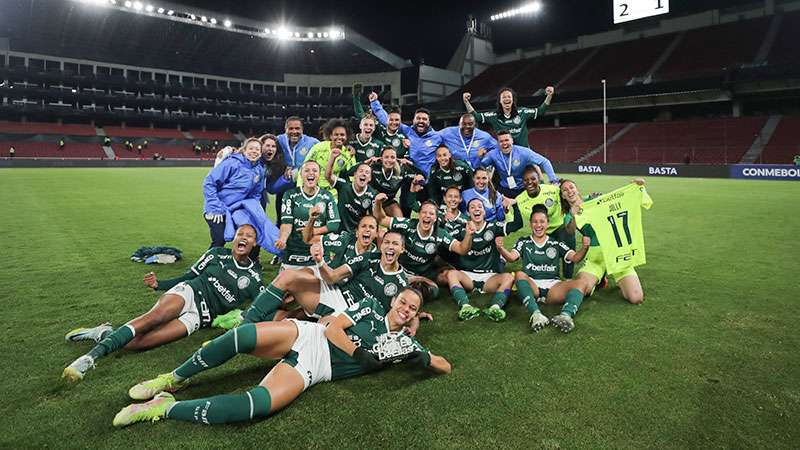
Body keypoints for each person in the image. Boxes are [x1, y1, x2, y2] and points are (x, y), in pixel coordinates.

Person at [111, 287, 451, 427]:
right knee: (242, 335)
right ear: (395, 302)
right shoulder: (372, 308)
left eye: (413, 309)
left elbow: (443, 365)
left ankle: (163, 406)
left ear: (416, 316)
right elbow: (332, 326)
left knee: (256, 406)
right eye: (404, 303)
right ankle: (173, 377)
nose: (406, 309)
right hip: (312, 335)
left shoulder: (403, 345)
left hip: (318, 367)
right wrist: (358, 353)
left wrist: (419, 357)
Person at [62, 225, 265, 382]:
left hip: (199, 317)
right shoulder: (215, 254)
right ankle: (88, 359)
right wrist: (160, 284)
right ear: (234, 238)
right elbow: (188, 275)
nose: (244, 237)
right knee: (153, 318)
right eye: (241, 233)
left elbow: (261, 306)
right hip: (190, 292)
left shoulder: (255, 278)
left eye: (249, 236)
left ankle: (104, 333)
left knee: (141, 343)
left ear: (255, 244)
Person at [238, 229, 408, 325]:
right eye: (386, 242)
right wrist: (319, 262)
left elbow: (401, 311)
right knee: (288, 276)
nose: (389, 247)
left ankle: (251, 321)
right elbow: (333, 277)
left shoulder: (401, 282)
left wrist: (413, 324)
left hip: (348, 315)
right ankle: (247, 321)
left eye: (395, 244)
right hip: (335, 294)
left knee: (296, 323)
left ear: (402, 249)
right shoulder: (369, 257)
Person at [496, 205, 591, 332]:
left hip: (553, 288)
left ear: (547, 224)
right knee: (519, 274)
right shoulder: (524, 241)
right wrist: (501, 249)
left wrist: (584, 248)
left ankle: (566, 316)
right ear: (530, 224)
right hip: (532, 285)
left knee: (582, 283)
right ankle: (536, 315)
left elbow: (575, 258)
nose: (538, 225)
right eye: (535, 222)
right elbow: (512, 258)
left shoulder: (555, 242)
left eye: (542, 221)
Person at [560, 179, 647, 311]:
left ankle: (612, 277)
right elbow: (570, 231)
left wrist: (635, 187)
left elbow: (615, 200)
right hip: (596, 257)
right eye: (565, 190)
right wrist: (573, 213)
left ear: (577, 189)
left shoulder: (592, 199)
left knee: (636, 298)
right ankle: (600, 278)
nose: (569, 191)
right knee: (583, 289)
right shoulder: (568, 215)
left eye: (571, 187)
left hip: (616, 252)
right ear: (563, 196)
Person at [374, 195, 474, 293]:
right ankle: (400, 282)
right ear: (419, 215)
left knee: (434, 291)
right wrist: (378, 203)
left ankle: (411, 286)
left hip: (423, 275)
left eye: (431, 213)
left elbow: (462, 249)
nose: (427, 216)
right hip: (401, 270)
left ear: (435, 218)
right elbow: (382, 219)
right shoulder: (407, 225)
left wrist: (468, 235)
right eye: (424, 212)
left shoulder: (440, 234)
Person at [445, 198, 522, 321]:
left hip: (489, 277)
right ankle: (465, 306)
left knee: (509, 277)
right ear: (468, 213)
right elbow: (444, 239)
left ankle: (495, 308)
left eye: (480, 207)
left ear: (485, 212)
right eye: (472, 207)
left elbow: (518, 224)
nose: (476, 209)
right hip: (467, 277)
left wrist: (515, 205)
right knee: (451, 274)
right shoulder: (461, 229)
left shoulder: (493, 227)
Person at [202, 138, 266, 252]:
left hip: (236, 209)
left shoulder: (259, 170)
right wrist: (216, 207)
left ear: (261, 153)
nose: (254, 151)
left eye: (257, 149)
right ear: (244, 150)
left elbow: (256, 193)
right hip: (217, 208)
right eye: (251, 148)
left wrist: (251, 209)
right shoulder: (232, 163)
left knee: (252, 234)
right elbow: (209, 183)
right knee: (220, 239)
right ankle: (206, 265)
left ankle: (246, 264)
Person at [276, 160, 340, 270]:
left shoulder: (327, 196)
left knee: (316, 284)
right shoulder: (290, 195)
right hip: (293, 249)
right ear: (301, 174)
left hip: (316, 249)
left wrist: (311, 231)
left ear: (319, 175)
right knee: (286, 284)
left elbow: (334, 224)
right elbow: (286, 223)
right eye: (307, 170)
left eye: (315, 170)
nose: (311, 173)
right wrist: (283, 239)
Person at [513, 167, 575, 278]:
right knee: (543, 257)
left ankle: (568, 278)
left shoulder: (552, 190)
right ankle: (541, 277)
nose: (530, 182)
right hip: (540, 232)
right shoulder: (519, 200)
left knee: (568, 242)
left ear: (539, 179)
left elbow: (570, 198)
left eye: (533, 179)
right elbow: (511, 219)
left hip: (559, 227)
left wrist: (587, 198)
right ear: (522, 182)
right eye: (526, 180)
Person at [369, 92, 443, 176]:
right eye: (418, 118)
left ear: (429, 122)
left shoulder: (437, 137)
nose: (421, 121)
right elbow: (387, 120)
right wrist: (374, 102)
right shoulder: (407, 131)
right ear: (413, 120)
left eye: (424, 119)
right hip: (409, 176)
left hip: (429, 179)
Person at [462, 86, 554, 148]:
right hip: (504, 152)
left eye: (509, 97)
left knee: (534, 171)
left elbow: (541, 111)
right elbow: (476, 117)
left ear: (513, 100)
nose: (507, 99)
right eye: (504, 97)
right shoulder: (494, 116)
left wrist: (549, 95)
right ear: (500, 101)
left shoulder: (522, 112)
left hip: (523, 153)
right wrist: (466, 102)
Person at [481, 130, 558, 198]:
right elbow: (481, 166)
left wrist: (553, 180)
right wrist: (480, 157)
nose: (504, 143)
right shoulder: (492, 154)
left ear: (512, 141)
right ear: (498, 143)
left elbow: (544, 162)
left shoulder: (524, 152)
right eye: (501, 141)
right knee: (500, 212)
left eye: (507, 140)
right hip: (504, 188)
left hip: (523, 188)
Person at [275, 117, 321, 218]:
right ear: (285, 129)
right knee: (281, 218)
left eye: (297, 128)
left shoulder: (313, 143)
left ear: (302, 130)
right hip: (284, 187)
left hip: (305, 187)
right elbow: (263, 143)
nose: (294, 131)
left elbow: (328, 149)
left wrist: (348, 148)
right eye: (290, 129)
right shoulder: (279, 140)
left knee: (303, 218)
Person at [353, 84, 409, 158]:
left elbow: (402, 157)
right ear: (386, 119)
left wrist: (405, 148)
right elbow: (362, 117)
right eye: (391, 120)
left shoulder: (402, 137)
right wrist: (356, 97)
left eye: (397, 120)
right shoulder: (380, 129)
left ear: (400, 121)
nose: (394, 122)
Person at [364, 147, 423, 218]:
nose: (389, 160)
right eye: (386, 157)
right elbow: (350, 172)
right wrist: (365, 163)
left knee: (399, 220)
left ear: (396, 159)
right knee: (372, 222)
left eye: (392, 157)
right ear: (381, 158)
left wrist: (410, 163)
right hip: (372, 201)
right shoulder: (373, 167)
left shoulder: (402, 171)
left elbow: (422, 174)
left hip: (388, 202)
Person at [303, 119, 357, 193]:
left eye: (342, 135)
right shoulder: (318, 147)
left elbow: (353, 175)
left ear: (347, 137)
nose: (339, 137)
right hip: (314, 188)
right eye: (336, 134)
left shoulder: (348, 154)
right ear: (330, 136)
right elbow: (304, 167)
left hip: (333, 191)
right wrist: (300, 187)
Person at [325, 159, 378, 232]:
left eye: (367, 172)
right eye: (361, 171)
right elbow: (328, 176)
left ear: (370, 178)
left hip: (355, 233)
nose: (364, 174)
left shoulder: (373, 194)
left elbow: (374, 218)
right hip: (337, 230)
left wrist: (379, 203)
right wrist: (332, 158)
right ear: (355, 174)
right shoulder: (344, 185)